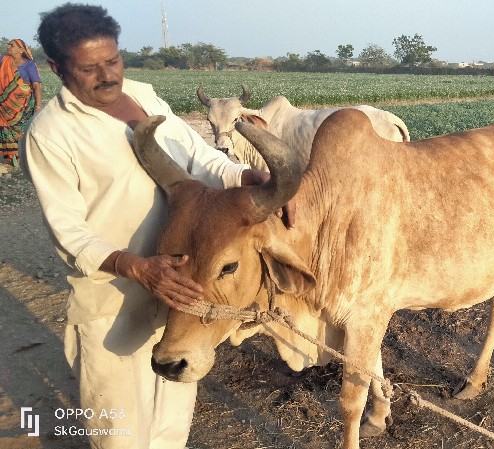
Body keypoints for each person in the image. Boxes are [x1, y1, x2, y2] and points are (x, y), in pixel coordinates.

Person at [21, 4, 292, 448]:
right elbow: (67, 231)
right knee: (120, 433)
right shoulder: (51, 133)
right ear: (55, 67)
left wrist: (247, 177)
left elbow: (200, 159)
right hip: (115, 301)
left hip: (181, 294)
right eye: (89, 68)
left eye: (113, 60)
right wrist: (139, 268)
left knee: (171, 425)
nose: (107, 75)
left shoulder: (146, 97)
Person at [1, 38, 42, 166]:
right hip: (4, 105)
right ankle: (9, 157)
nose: (9, 47)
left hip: (22, 107)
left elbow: (36, 86)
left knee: (19, 131)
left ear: (21, 50)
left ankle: (20, 156)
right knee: (5, 129)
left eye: (12, 45)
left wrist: (38, 106)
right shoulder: (4, 61)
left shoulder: (29, 65)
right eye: (8, 45)